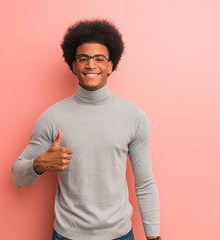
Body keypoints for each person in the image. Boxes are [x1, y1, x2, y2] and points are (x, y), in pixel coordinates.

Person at [12, 19, 161, 240]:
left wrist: (154, 236)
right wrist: (39, 164)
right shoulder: (52, 117)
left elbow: (145, 182)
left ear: (110, 66)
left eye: (99, 59)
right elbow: (18, 177)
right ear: (73, 65)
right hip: (67, 236)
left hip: (120, 234)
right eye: (83, 59)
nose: (91, 65)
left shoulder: (134, 117)